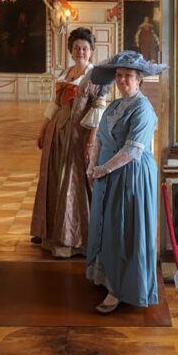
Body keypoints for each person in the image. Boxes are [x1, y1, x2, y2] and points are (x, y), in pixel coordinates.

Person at [84, 50, 168, 313]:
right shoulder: (113, 106)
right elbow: (100, 138)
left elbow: (132, 151)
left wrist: (103, 169)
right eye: (119, 75)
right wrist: (92, 166)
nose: (122, 80)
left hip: (131, 175)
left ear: (139, 79)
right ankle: (105, 276)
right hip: (107, 173)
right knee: (107, 224)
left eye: (127, 76)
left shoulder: (143, 109)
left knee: (123, 228)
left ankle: (121, 288)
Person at [30, 27, 109, 258]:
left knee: (74, 182)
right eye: (76, 48)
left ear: (91, 51)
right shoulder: (66, 72)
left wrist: (90, 143)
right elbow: (55, 104)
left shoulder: (96, 76)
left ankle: (74, 238)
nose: (80, 52)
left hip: (79, 137)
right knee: (54, 178)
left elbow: (98, 110)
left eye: (84, 48)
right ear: (71, 51)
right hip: (57, 134)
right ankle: (49, 232)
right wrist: (43, 128)